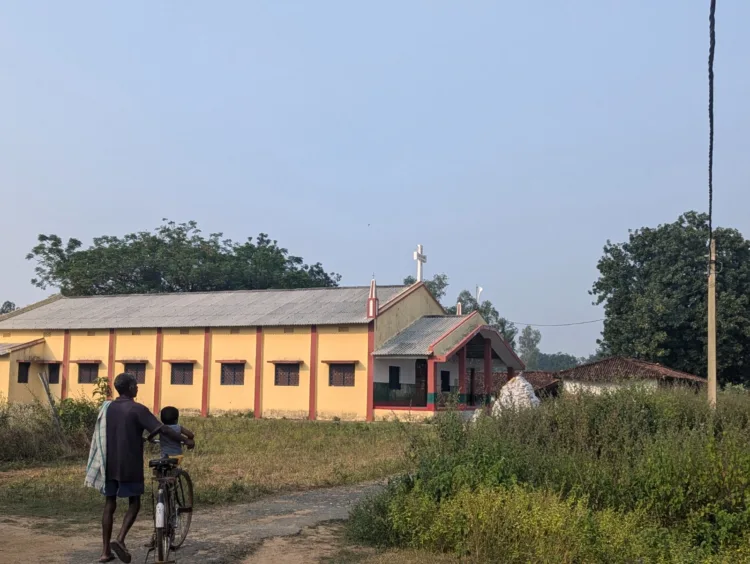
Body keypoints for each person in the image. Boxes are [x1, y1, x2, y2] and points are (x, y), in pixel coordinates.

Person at [92, 373, 194, 563]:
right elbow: (162, 428)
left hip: (109, 462)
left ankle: (105, 552)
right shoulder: (137, 409)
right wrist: (185, 440)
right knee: (134, 502)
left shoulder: (108, 408)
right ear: (130, 388)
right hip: (129, 463)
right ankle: (120, 539)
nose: (137, 387)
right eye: (136, 385)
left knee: (109, 503)